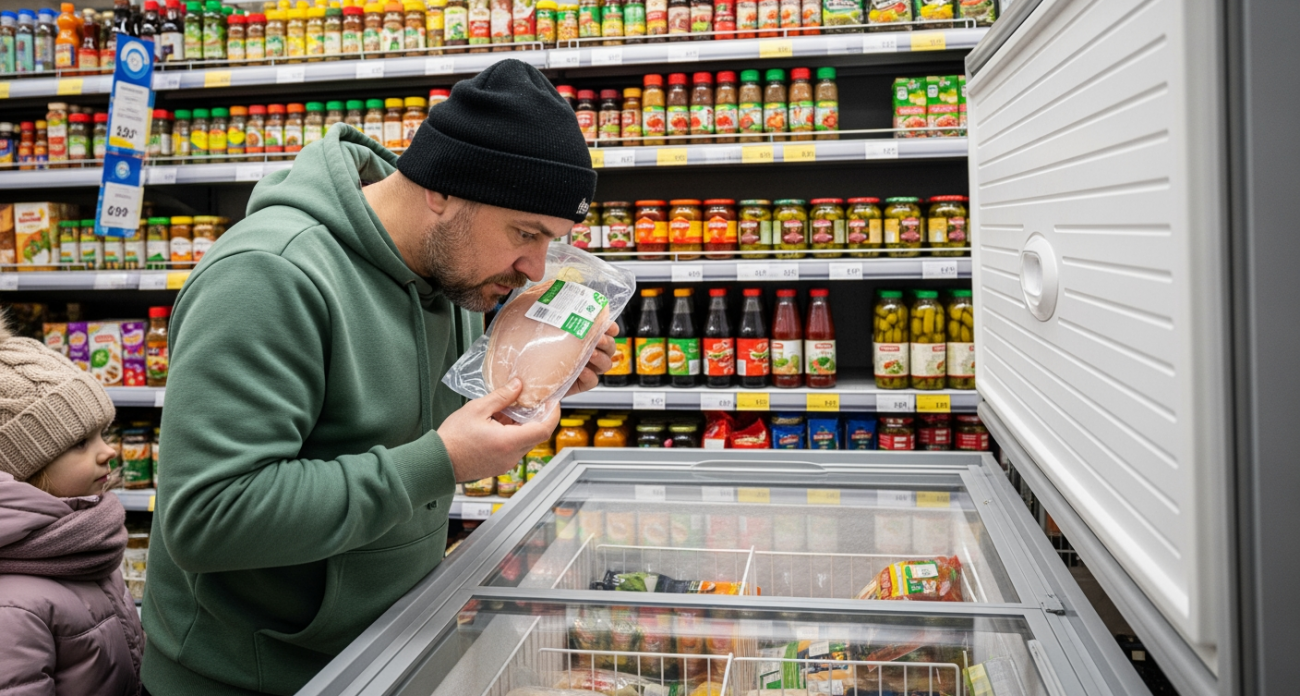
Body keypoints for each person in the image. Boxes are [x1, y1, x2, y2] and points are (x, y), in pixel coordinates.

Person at [140, 60, 612, 695]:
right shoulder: (267, 276)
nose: (533, 269)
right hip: (247, 679)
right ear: (441, 192)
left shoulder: (452, 277)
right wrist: (438, 462)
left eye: (551, 241)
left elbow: (422, 426)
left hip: (378, 657)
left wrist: (532, 372)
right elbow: (208, 518)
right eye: (525, 233)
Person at [0, 317, 146, 696]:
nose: (109, 450)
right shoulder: (12, 608)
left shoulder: (84, 537)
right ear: (23, 468)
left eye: (104, 433)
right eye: (81, 442)